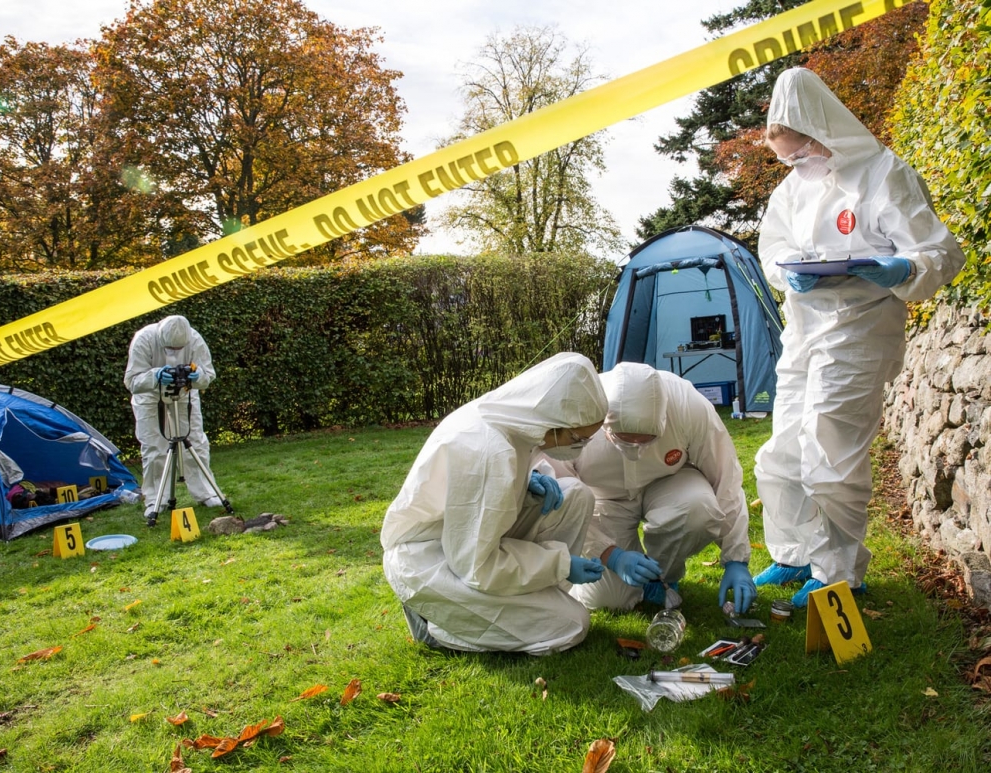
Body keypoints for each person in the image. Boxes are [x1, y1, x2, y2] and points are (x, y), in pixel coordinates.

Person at [753, 68, 966, 607]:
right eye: (787, 158)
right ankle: (793, 554)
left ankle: (840, 573)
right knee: (779, 451)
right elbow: (772, 252)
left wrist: (901, 268)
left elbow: (940, 251)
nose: (797, 164)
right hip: (804, 328)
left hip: (861, 327)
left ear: (822, 129)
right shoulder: (790, 192)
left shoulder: (882, 173)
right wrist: (786, 272)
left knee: (830, 449)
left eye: (801, 151)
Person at [380, 352, 609, 655]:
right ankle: (435, 622)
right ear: (556, 422)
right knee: (572, 624)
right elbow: (478, 567)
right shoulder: (489, 452)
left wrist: (531, 479)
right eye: (578, 438)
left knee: (577, 495)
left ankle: (533, 600)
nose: (578, 447)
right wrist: (561, 564)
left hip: (461, 542)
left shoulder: (516, 419)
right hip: (429, 559)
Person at [544, 362, 756, 615]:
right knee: (609, 599)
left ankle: (662, 576)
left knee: (698, 509)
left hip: (671, 481)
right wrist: (610, 554)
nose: (636, 450)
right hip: (605, 497)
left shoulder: (687, 404)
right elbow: (566, 500)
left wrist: (736, 559)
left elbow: (725, 478)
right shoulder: (576, 412)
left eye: (647, 440)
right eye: (624, 438)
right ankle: (620, 577)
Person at [124, 314, 221, 523]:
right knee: (154, 448)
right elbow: (131, 381)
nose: (174, 354)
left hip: (183, 394)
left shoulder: (194, 339)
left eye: (178, 350)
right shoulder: (143, 339)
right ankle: (156, 500)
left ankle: (206, 493)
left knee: (195, 442)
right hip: (149, 397)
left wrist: (198, 377)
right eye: (170, 350)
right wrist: (155, 375)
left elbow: (208, 375)